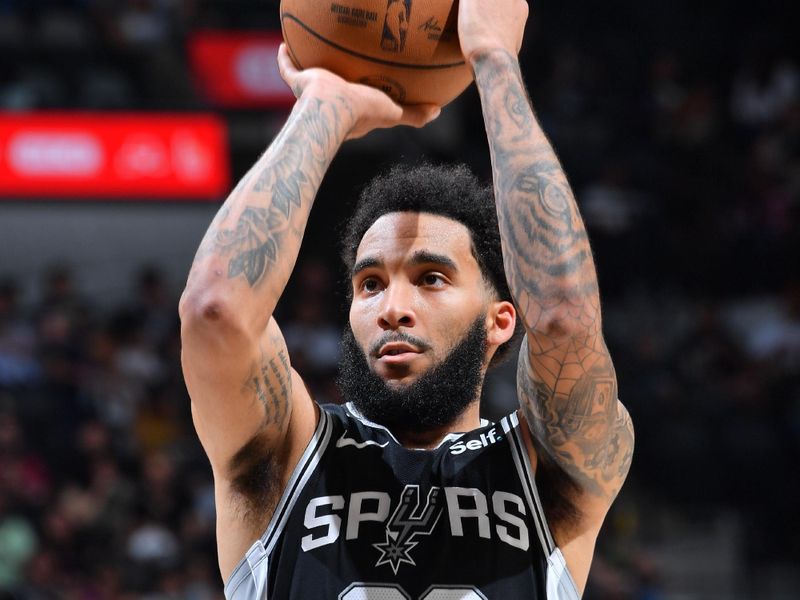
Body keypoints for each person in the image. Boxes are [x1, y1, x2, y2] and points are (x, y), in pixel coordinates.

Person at [179, 1, 634, 598]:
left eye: (431, 278)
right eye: (370, 284)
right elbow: (215, 308)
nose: (392, 306)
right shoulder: (285, 453)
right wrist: (323, 106)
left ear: (500, 321)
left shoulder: (545, 469)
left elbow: (564, 318)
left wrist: (495, 61)